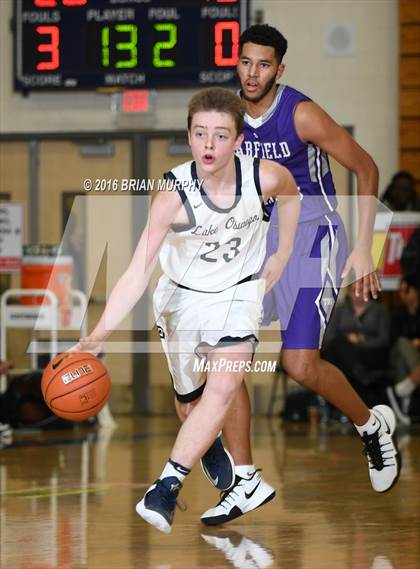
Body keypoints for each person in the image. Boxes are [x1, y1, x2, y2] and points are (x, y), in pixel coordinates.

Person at [193, 24, 401, 526]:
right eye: (246, 62)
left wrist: (367, 248)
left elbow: (367, 168)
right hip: (261, 242)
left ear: (278, 70)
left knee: (300, 366)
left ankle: (370, 426)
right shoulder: (229, 118)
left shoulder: (300, 113)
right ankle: (244, 480)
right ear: (237, 63)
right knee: (224, 354)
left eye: (263, 65)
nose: (253, 73)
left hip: (313, 237)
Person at [72, 87, 301, 533]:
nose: (209, 146)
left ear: (239, 141)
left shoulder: (266, 177)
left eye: (220, 135)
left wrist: (283, 251)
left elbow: (291, 197)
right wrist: (100, 332)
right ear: (189, 137)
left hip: (237, 295)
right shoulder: (172, 197)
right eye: (200, 134)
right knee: (189, 405)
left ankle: (166, 486)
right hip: (181, 299)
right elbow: (138, 272)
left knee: (225, 383)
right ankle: (207, 445)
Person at [322, 283, 391, 409]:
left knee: (339, 349)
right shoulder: (340, 310)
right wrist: (348, 340)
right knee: (338, 342)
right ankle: (358, 372)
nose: (357, 294)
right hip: (345, 354)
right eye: (354, 290)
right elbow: (328, 336)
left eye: (361, 289)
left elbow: (384, 340)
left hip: (371, 353)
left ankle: (356, 373)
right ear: (348, 291)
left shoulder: (380, 310)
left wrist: (360, 340)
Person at [386, 276, 420, 424]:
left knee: (402, 357)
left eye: (407, 291)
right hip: (404, 353)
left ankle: (402, 391)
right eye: (400, 291)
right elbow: (394, 339)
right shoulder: (397, 314)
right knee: (402, 345)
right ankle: (406, 389)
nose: (404, 295)